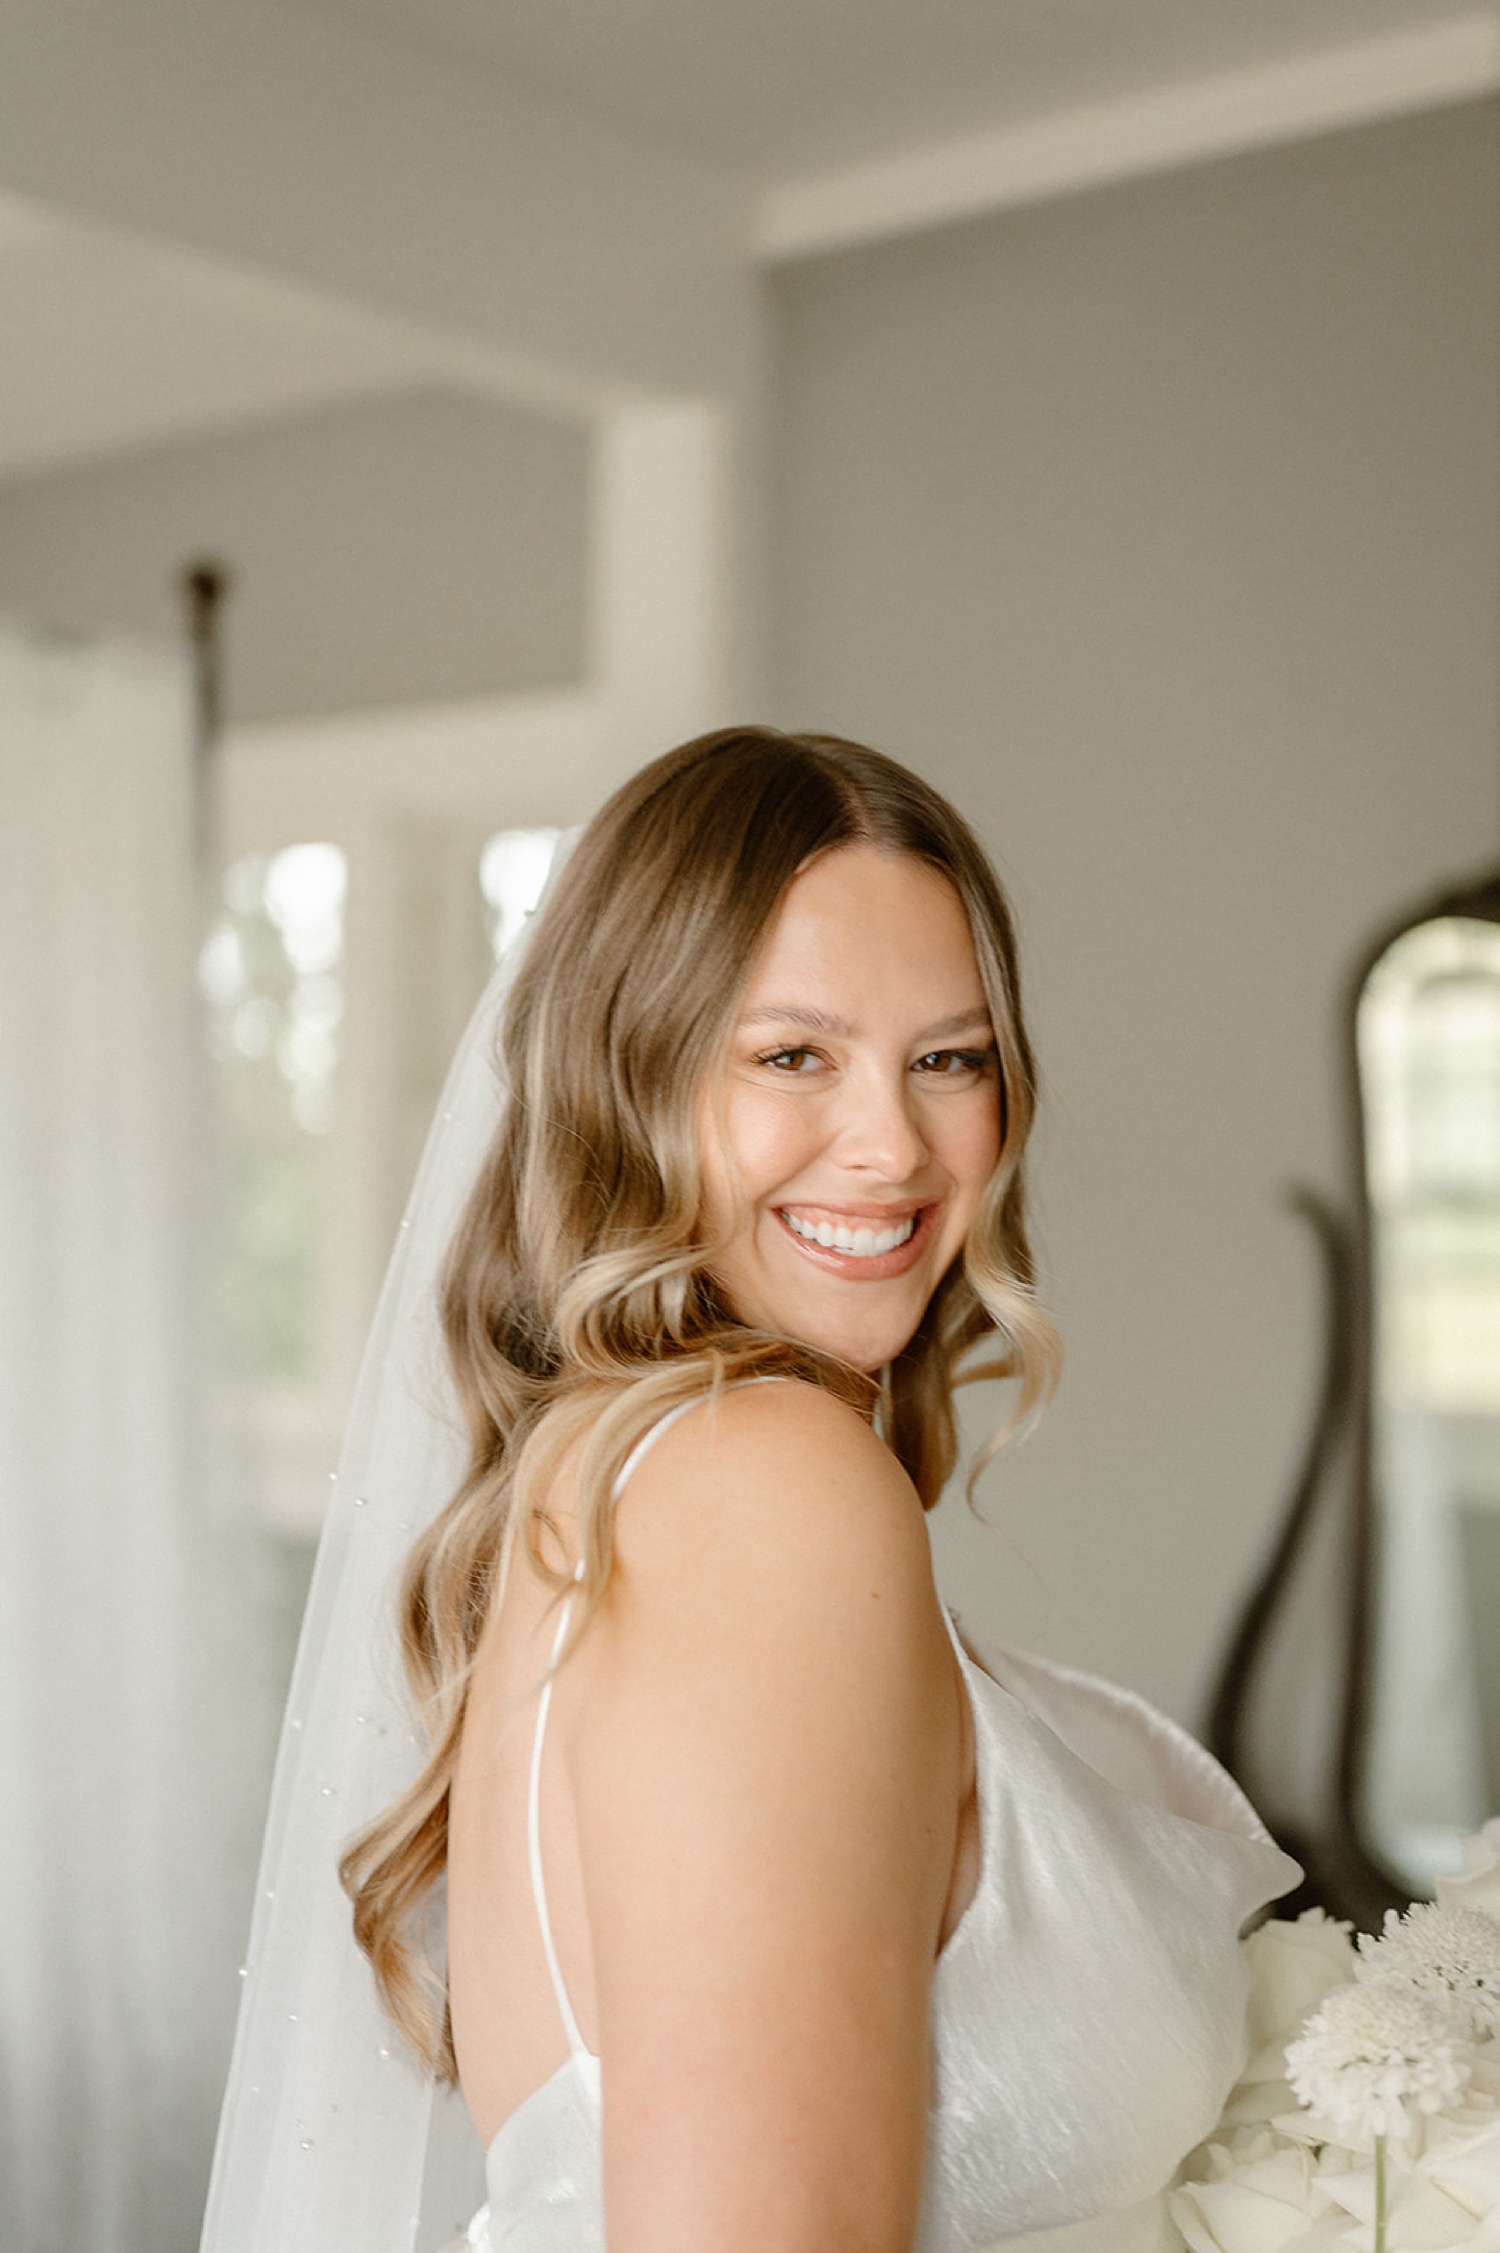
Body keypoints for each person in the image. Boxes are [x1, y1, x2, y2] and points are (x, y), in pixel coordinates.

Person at [201, 728, 1298, 2253]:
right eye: (793, 1054)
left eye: (950, 1057)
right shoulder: (758, 1487)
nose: (894, 1144)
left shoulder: (639, 1478)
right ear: (624, 1080)